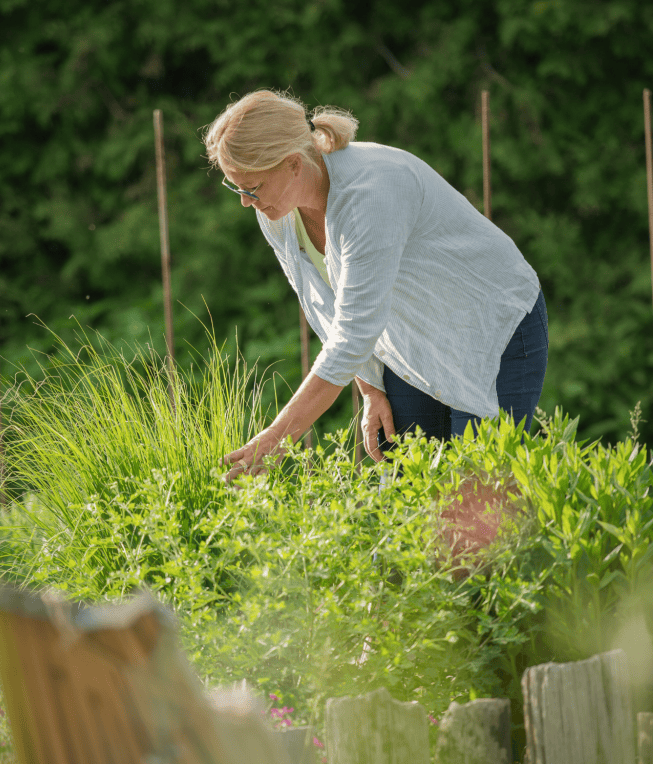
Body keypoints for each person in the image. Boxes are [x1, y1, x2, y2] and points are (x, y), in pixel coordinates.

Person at [202, 89, 548, 482]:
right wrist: (370, 388)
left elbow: (352, 333)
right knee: (406, 488)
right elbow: (326, 305)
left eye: (252, 187)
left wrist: (278, 437)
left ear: (293, 164)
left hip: (493, 326)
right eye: (237, 187)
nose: (246, 202)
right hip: (410, 338)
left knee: (478, 492)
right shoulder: (276, 210)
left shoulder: (370, 194)